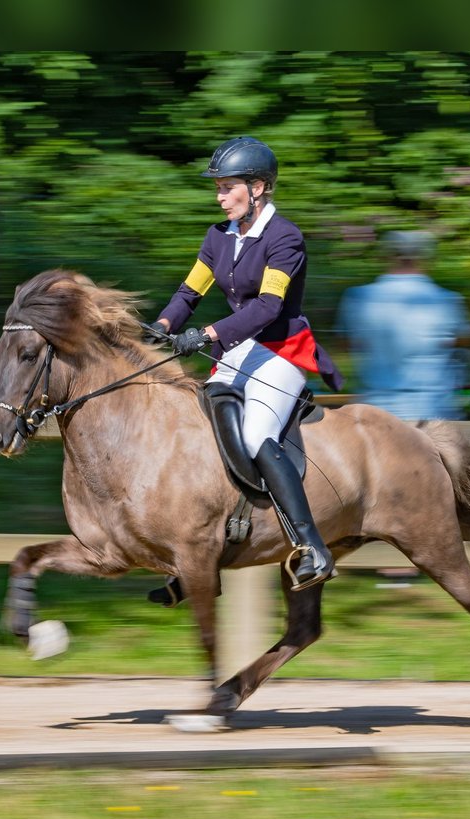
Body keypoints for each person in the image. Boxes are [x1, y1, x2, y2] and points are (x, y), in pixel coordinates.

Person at [146, 136, 343, 590]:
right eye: (217, 188)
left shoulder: (284, 237)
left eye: (226, 187)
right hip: (238, 350)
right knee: (200, 430)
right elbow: (189, 292)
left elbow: (268, 308)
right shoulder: (219, 236)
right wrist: (163, 324)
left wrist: (208, 335)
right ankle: (205, 551)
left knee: (255, 434)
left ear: (257, 188)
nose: (218, 197)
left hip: (280, 350)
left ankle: (311, 545)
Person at [337, 230, 470, 422]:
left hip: (374, 414)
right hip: (431, 414)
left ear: (387, 256)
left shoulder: (358, 298)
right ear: (425, 258)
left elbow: (349, 344)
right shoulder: (447, 300)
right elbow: (462, 343)